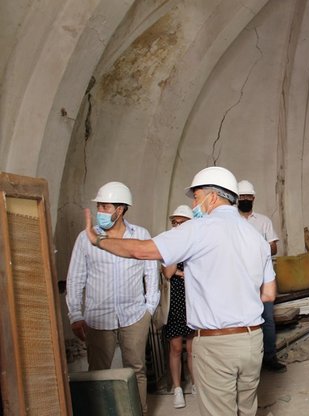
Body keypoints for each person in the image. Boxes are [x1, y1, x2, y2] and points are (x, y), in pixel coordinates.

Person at [81, 167, 276, 416]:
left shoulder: (197, 230)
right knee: (247, 410)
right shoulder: (256, 236)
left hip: (217, 343)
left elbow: (141, 250)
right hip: (252, 340)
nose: (194, 204)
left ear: (213, 197)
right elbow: (269, 294)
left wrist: (98, 240)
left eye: (196, 197)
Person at [66, 181, 159, 415]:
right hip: (98, 318)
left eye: (105, 207)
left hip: (135, 316)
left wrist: (149, 308)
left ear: (120, 210)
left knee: (136, 369)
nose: (101, 212)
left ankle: (140, 411)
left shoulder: (140, 235)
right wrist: (75, 314)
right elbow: (75, 277)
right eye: (99, 206)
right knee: (98, 371)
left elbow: (151, 274)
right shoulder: (85, 238)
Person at [237, 179, 286, 373]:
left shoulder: (263, 221)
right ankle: (249, 363)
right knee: (243, 321)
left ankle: (270, 357)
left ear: (254, 198)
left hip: (263, 278)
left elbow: (273, 247)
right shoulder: (232, 222)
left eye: (248, 196)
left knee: (267, 319)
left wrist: (254, 248)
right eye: (241, 197)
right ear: (236, 199)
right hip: (239, 281)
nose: (245, 199)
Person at [162, 205, 196, 409]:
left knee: (192, 348)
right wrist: (176, 247)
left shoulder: (196, 243)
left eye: (181, 222)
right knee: (175, 347)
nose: (177, 226)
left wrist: (181, 274)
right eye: (174, 222)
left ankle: (195, 383)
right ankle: (177, 388)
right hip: (175, 300)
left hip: (193, 300)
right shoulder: (170, 244)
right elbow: (168, 273)